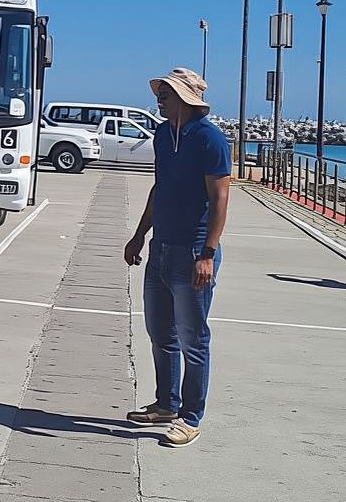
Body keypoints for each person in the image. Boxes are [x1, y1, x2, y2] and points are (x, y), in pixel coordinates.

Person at [123, 67, 231, 448]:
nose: (159, 100)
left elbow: (220, 198)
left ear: (185, 98)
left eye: (166, 94)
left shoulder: (210, 139)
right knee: (160, 333)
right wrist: (140, 235)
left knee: (192, 338)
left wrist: (208, 253)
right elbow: (160, 189)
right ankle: (166, 404)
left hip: (193, 252)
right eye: (160, 93)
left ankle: (190, 417)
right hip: (161, 249)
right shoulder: (162, 135)